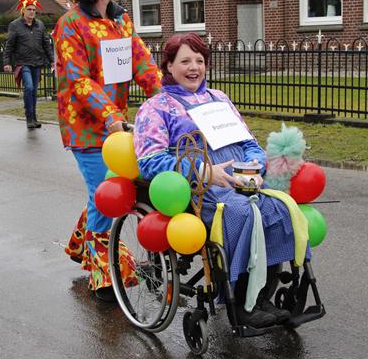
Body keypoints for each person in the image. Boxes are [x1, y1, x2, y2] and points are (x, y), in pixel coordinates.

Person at [133, 33, 311, 328]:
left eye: (199, 60)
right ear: (169, 66)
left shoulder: (219, 98)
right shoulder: (155, 107)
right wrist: (203, 171)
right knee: (241, 214)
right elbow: (150, 160)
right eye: (185, 61)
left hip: (242, 177)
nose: (194, 67)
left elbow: (249, 142)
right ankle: (241, 303)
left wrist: (254, 165)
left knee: (277, 208)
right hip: (200, 185)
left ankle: (261, 296)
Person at [52, 0, 162, 302]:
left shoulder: (120, 20)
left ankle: (80, 245)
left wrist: (169, 98)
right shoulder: (70, 25)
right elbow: (79, 80)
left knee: (106, 192)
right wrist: (111, 115)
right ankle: (103, 277)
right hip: (86, 127)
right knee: (104, 193)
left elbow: (141, 61)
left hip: (115, 125)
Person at [3, 0, 54, 129]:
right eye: (29, 9)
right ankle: (28, 117)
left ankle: (34, 118)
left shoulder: (40, 25)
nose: (32, 12)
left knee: (34, 91)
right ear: (23, 11)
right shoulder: (15, 25)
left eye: (34, 10)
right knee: (29, 87)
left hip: (37, 62)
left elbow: (46, 44)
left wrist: (52, 60)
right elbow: (9, 45)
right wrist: (6, 63)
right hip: (23, 63)